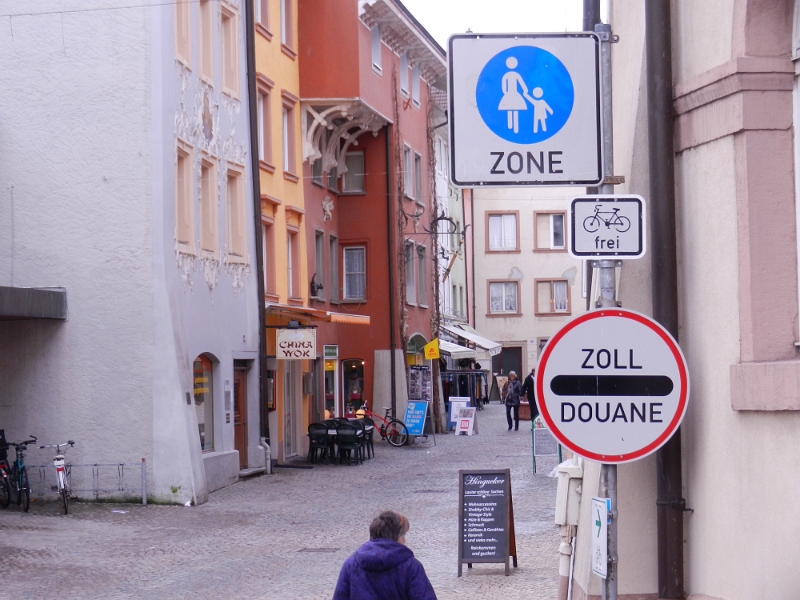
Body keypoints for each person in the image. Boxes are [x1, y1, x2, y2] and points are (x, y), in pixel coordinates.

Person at [333, 510, 437, 600]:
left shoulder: (351, 564)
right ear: (396, 537)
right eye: (404, 535)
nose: (405, 540)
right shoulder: (411, 567)